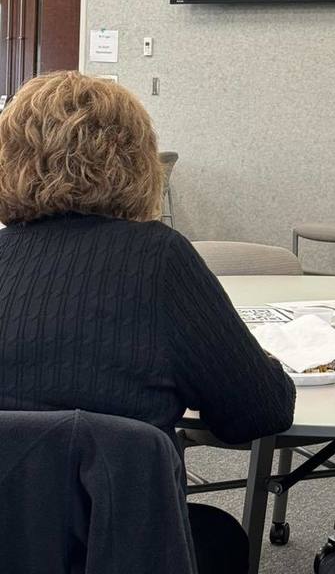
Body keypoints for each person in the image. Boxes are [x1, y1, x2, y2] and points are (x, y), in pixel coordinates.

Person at [0, 71, 296, 574]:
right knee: (223, 537)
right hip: (120, 548)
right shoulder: (158, 258)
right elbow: (258, 412)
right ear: (136, 160)